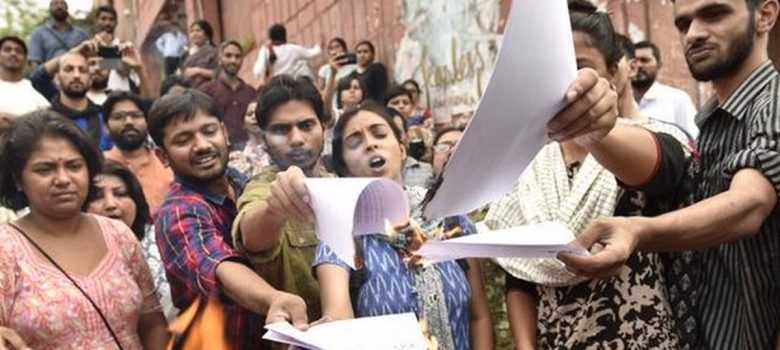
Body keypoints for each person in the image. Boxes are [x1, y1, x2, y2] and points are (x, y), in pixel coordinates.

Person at [558, 0, 780, 348]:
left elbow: (749, 204)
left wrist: (638, 232)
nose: (694, 33)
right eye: (683, 23)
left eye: (714, 14)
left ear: (765, 15)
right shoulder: (714, 120)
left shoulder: (773, 100)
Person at [486, 3, 689, 348]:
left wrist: (597, 129)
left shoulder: (652, 139)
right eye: (550, 71)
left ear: (612, 72)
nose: (567, 84)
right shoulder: (528, 165)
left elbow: (662, 170)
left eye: (580, 68)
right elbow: (520, 272)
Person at [314, 104, 494, 350]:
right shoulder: (340, 235)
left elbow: (479, 315)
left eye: (379, 134)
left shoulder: (449, 216)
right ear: (343, 167)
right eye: (354, 143)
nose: (370, 144)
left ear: (401, 149)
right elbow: (339, 322)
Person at [148, 89, 307, 349]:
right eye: (183, 139)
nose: (202, 145)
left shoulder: (245, 184)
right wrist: (273, 298)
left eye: (209, 131)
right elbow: (217, 264)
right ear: (163, 156)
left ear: (224, 132)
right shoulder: (177, 211)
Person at [0, 110, 168, 349]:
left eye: (74, 166)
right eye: (45, 169)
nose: (63, 179)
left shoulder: (118, 235)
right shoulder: (6, 249)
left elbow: (152, 322)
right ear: (18, 179)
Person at [231, 75, 330, 323]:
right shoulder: (262, 189)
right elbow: (251, 235)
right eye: (281, 130)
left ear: (323, 128)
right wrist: (275, 209)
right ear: (264, 139)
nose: (296, 138)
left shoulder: (341, 182)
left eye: (306, 125)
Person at [87, 159, 177, 319]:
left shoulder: (166, 240)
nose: (110, 204)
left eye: (120, 193)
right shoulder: (72, 255)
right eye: (97, 197)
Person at [29, 40, 113, 150]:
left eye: (82, 70)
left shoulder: (104, 117)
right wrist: (71, 53)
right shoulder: (44, 120)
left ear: (90, 78)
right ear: (57, 78)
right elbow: (38, 78)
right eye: (69, 69)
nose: (76, 75)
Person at [102, 91, 174, 214]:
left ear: (147, 122)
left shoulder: (167, 163)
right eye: (119, 117)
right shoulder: (98, 165)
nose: (128, 122)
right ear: (106, 126)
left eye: (136, 115)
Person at [632, 40, 699, 138]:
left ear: (659, 65)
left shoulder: (677, 100)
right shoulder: (617, 101)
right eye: (634, 61)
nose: (639, 65)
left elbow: (694, 139)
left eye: (644, 60)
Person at [200, 40, 258, 149]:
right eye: (228, 56)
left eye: (238, 56)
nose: (233, 60)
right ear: (219, 60)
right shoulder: (206, 91)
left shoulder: (251, 92)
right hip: (220, 148)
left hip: (249, 149)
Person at [0, 36, 50, 133]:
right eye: (7, 50)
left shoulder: (34, 89)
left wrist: (16, 122)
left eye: (19, 51)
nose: (13, 53)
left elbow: (49, 123)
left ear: (25, 60)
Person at [26, 0, 89, 69]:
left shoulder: (81, 34)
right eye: (55, 4)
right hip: (50, 78)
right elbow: (34, 61)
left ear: (67, 8)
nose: (59, 6)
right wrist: (40, 78)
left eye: (62, 3)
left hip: (77, 76)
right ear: (50, 9)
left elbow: (90, 58)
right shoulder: (39, 33)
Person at [252, 24, 322, 84]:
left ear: (271, 38)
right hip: (291, 83)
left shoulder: (265, 50)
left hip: (275, 85)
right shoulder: (293, 48)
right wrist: (319, 44)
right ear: (285, 36)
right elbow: (312, 53)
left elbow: (257, 71)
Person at [228, 101, 271, 177]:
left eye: (258, 114)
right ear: (243, 123)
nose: (254, 117)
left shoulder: (277, 148)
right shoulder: (235, 150)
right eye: (249, 114)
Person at [318, 37, 357, 111]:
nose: (335, 50)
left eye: (337, 47)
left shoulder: (353, 67)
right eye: (331, 48)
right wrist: (332, 86)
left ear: (344, 49)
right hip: (333, 107)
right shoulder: (325, 69)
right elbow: (319, 92)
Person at [179, 20, 218, 88]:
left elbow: (219, 74)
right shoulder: (185, 54)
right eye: (192, 31)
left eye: (198, 30)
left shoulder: (214, 52)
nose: (194, 33)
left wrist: (199, 71)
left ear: (207, 34)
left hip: (208, 90)